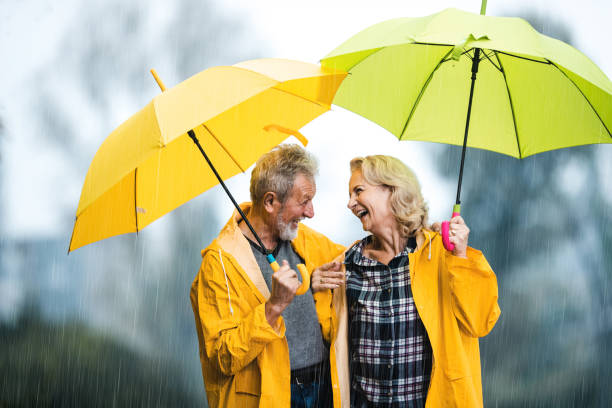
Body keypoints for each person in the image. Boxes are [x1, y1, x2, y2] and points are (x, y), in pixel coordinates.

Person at [312, 155, 501, 407]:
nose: (350, 203)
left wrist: (461, 256)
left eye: (358, 191)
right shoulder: (345, 266)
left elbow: (479, 321)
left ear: (392, 190)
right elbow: (324, 341)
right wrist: (312, 287)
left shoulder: (443, 255)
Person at [190, 144, 350, 408]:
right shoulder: (218, 263)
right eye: (304, 201)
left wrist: (427, 233)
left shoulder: (304, 240)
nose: (311, 212)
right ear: (270, 201)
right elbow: (222, 357)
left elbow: (362, 257)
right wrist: (272, 307)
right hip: (274, 398)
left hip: (324, 388)